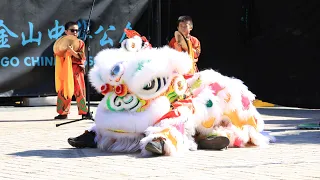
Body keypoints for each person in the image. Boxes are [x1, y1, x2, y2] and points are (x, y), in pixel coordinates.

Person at [54, 21, 88, 119]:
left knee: (79, 91)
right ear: (66, 31)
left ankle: (84, 112)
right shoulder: (61, 42)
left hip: (76, 69)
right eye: (72, 30)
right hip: (65, 69)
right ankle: (63, 113)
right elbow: (57, 53)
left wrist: (72, 52)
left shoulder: (80, 43)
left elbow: (82, 57)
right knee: (64, 90)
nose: (75, 33)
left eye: (77, 30)